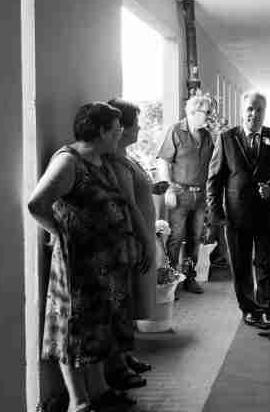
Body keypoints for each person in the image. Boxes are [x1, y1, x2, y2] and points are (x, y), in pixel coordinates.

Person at [28, 102, 148, 412]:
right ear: (100, 131)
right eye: (116, 128)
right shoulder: (68, 162)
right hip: (78, 265)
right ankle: (78, 402)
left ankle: (100, 391)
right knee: (73, 331)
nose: (121, 133)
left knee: (98, 329)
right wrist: (60, 233)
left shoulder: (100, 159)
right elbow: (37, 204)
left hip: (103, 266)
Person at [207, 91, 270, 330]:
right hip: (237, 214)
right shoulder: (226, 138)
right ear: (242, 110)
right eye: (250, 109)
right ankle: (249, 309)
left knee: (265, 262)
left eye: (259, 110)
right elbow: (214, 179)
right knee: (241, 265)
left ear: (265, 112)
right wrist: (216, 213)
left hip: (268, 212)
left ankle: (266, 309)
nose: (254, 114)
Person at [106, 98, 169, 384]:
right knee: (123, 302)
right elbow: (129, 205)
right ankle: (117, 364)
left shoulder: (126, 157)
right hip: (132, 239)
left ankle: (125, 355)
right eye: (136, 124)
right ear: (122, 127)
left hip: (139, 235)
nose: (140, 128)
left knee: (130, 300)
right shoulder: (116, 161)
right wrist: (146, 240)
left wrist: (153, 187)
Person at [157, 95, 215, 294]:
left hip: (201, 196)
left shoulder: (206, 136)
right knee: (176, 238)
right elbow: (163, 161)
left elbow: (213, 165)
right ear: (193, 112)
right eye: (206, 112)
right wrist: (169, 189)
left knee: (195, 239)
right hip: (180, 194)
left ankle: (190, 278)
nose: (208, 116)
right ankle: (172, 282)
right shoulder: (175, 130)